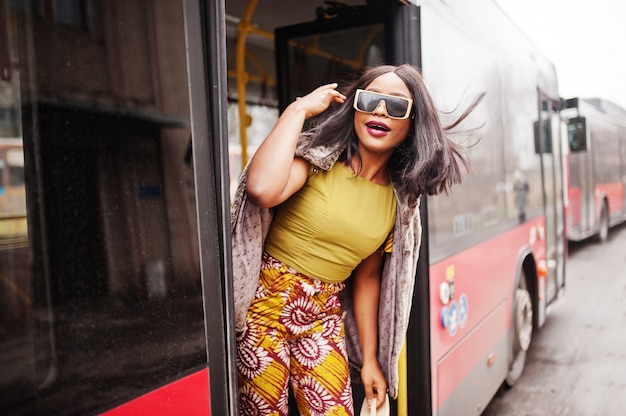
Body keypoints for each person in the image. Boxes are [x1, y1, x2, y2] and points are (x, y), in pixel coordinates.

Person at [231, 64, 482, 416]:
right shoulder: (318, 163)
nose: (380, 110)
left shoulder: (399, 202)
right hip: (262, 313)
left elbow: (366, 277)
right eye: (370, 100)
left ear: (413, 123)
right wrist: (298, 109)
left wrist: (370, 362)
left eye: (396, 106)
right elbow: (261, 191)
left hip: (322, 318)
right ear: (355, 108)